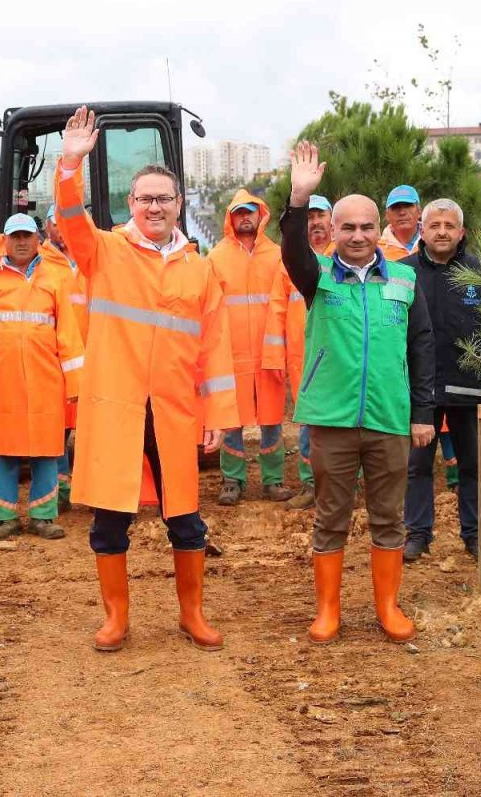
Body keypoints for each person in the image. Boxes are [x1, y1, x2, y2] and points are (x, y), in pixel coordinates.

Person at [54, 106, 237, 653]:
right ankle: (116, 619)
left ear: (179, 205)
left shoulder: (199, 268)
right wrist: (70, 163)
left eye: (164, 198)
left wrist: (219, 417)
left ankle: (192, 614)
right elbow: (69, 219)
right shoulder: (104, 251)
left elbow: (215, 348)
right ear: (130, 205)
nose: (154, 206)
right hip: (118, 408)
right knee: (111, 521)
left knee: (186, 519)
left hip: (176, 411)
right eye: (145, 198)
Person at [281, 141, 435, 645]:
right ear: (333, 231)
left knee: (389, 517)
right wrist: (299, 199)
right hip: (332, 417)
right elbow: (292, 252)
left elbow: (422, 347)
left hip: (390, 417)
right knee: (331, 516)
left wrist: (423, 412)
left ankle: (388, 608)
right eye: (347, 226)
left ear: (379, 230)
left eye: (367, 226)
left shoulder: (407, 279)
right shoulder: (318, 276)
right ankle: (328, 611)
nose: (358, 235)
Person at [0, 213, 84, 541]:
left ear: (38, 239)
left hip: (45, 381)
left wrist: (75, 383)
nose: (21, 242)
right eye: (15, 236)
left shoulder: (55, 280)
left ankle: (43, 516)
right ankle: (2, 518)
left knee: (47, 450)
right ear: (4, 240)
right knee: (1, 450)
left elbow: (68, 334)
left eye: (27, 236)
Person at [401, 199, 481, 561]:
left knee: (472, 465)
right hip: (419, 391)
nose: (442, 232)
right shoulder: (402, 273)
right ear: (422, 230)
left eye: (449, 226)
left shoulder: (480, 274)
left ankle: (475, 536)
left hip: (468, 388)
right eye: (434, 225)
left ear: (461, 233)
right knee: (418, 466)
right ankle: (418, 534)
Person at [208, 191, 292, 505]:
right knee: (231, 420)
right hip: (231, 356)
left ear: (260, 216)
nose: (245, 218)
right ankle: (232, 480)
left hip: (269, 354)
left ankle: (273, 479)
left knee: (271, 420)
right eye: (239, 212)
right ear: (231, 217)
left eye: (250, 212)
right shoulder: (216, 257)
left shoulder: (278, 255)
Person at [262, 193, 332, 510]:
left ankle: (345, 486)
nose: (315, 222)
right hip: (302, 360)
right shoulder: (288, 263)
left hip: (338, 358)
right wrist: (274, 357)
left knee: (344, 426)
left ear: (332, 220)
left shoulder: (345, 257)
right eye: (309, 217)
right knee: (307, 424)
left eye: (321, 216)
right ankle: (309, 485)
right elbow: (277, 310)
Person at [39, 204, 91, 509]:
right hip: (58, 360)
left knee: (94, 428)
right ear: (47, 228)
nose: (62, 228)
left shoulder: (91, 258)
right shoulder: (41, 262)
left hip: (95, 355)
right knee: (58, 429)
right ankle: (60, 491)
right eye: (55, 223)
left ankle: (92, 489)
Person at [378, 184, 422, 262]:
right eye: (395, 207)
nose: (402, 212)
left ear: (419, 211)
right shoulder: (377, 251)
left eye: (408, 206)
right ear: (387, 215)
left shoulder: (432, 242)